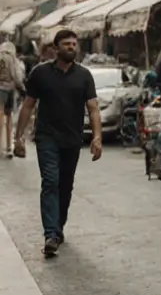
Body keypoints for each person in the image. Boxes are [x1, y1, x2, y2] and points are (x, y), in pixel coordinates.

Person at [13, 29, 102, 257]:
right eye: (66, 44)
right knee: (50, 181)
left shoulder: (84, 76)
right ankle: (51, 234)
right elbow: (28, 105)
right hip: (46, 137)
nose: (71, 47)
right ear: (56, 48)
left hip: (72, 139)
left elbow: (93, 108)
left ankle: (58, 226)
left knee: (65, 186)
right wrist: (18, 136)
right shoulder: (40, 73)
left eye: (74, 44)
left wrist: (97, 137)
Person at [0, 40, 25, 158]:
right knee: (9, 117)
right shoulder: (13, 59)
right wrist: (22, 89)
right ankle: (9, 146)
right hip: (10, 90)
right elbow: (17, 76)